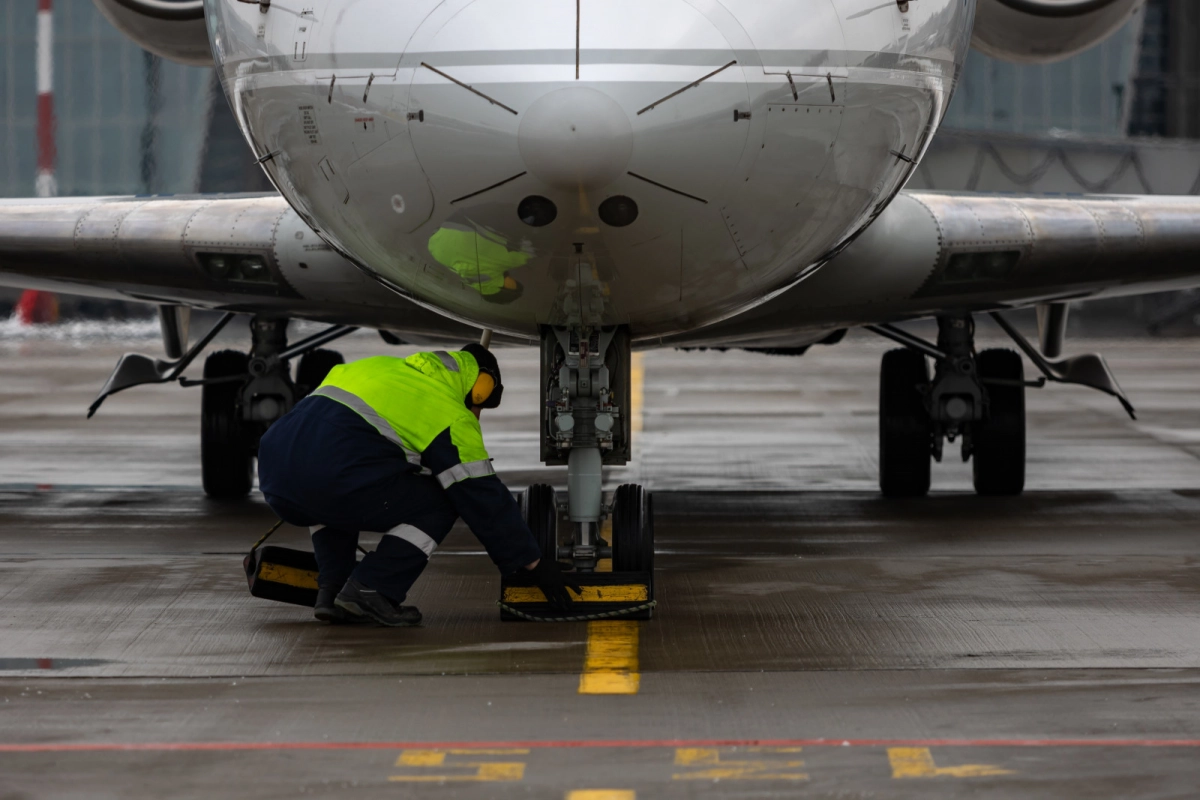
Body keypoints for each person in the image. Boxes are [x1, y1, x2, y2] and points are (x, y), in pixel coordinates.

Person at [257, 344, 580, 626]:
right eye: (480, 406)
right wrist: (532, 562)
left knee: (331, 489)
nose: (477, 415)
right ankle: (373, 589)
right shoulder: (447, 412)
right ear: (480, 388)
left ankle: (332, 590)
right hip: (331, 478)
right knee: (445, 497)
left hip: (276, 477)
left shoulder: (377, 368)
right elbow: (482, 496)